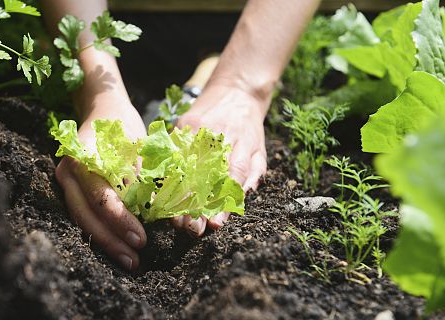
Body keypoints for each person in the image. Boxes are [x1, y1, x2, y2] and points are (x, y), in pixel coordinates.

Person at [40, 0, 321, 271]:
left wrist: (244, 86)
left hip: (273, 27)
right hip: (130, 26)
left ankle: (214, 65)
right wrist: (97, 95)